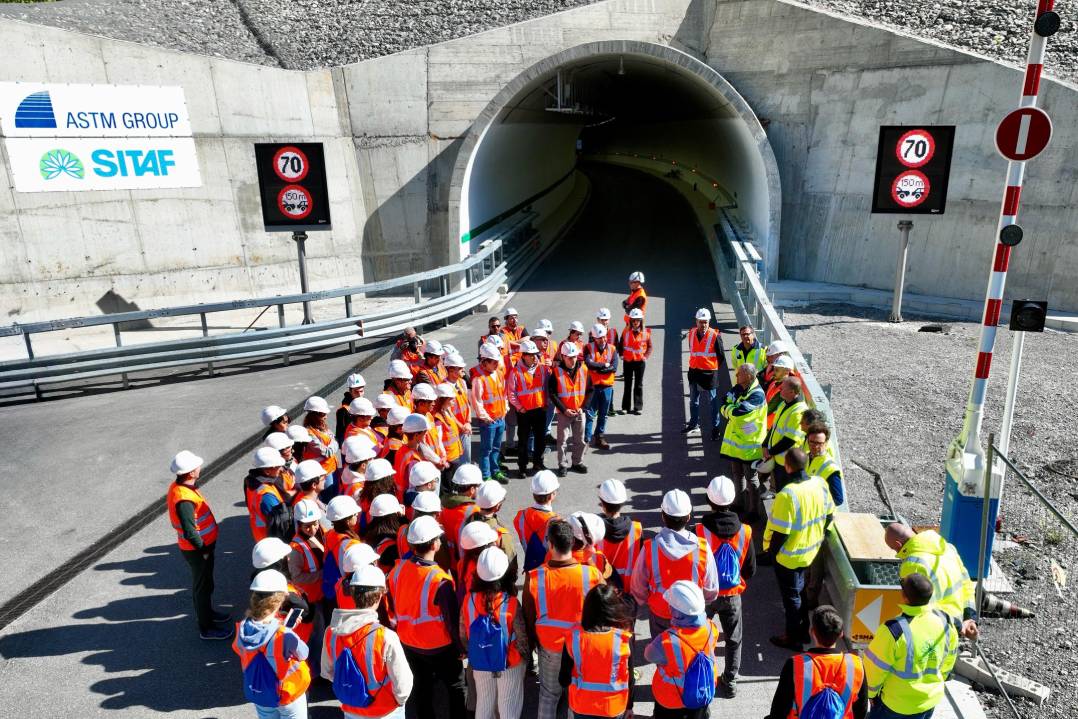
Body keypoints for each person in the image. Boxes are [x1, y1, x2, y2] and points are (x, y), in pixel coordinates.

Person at [524, 518, 605, 719]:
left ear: (550, 545)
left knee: (549, 695)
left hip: (550, 646)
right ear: (573, 544)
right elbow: (603, 609)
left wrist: (533, 642)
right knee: (574, 693)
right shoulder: (591, 574)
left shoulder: (535, 576)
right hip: (580, 645)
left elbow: (528, 614)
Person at [387, 515, 467, 719]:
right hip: (439, 645)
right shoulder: (440, 580)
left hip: (408, 641)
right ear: (434, 544)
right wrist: (461, 647)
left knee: (421, 686)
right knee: (456, 685)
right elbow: (451, 620)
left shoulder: (398, 570)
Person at [764, 449, 835, 650]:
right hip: (811, 550)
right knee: (800, 591)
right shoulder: (820, 484)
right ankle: (803, 631)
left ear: (787, 466)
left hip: (789, 556)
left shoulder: (787, 495)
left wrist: (773, 554)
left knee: (791, 598)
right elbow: (830, 515)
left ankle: (792, 637)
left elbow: (781, 533)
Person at [323, 564, 413, 719]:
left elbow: (328, 672)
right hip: (384, 711)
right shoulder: (385, 636)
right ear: (379, 596)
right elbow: (403, 685)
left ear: (352, 593)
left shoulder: (331, 633)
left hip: (351, 709)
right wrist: (398, 702)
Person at [864, 574, 959, 719]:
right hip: (929, 701)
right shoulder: (945, 622)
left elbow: (874, 668)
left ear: (904, 597)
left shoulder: (893, 630)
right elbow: (950, 658)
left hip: (895, 705)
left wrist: (869, 694)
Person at [630, 489, 719, 638]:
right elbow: (711, 588)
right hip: (692, 614)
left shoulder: (650, 548)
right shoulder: (702, 548)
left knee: (663, 654)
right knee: (688, 654)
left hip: (660, 612)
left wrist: (649, 600)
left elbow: (638, 586)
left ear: (663, 516)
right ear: (689, 516)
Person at [696, 475, 755, 697]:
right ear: (731, 501)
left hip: (705, 595)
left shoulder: (700, 530)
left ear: (709, 500)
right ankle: (730, 682)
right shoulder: (746, 531)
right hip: (732, 595)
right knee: (733, 639)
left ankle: (700, 676)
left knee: (699, 635)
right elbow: (750, 570)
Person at [167, 450, 232, 640]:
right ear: (190, 472)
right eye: (197, 466)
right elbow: (189, 530)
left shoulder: (182, 487)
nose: (199, 468)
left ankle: (208, 614)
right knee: (202, 587)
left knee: (206, 584)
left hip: (202, 548)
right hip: (199, 550)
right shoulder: (184, 498)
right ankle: (206, 627)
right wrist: (203, 549)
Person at [766, 605, 868, 719]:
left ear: (812, 632)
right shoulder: (856, 665)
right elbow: (861, 711)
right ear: (840, 634)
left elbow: (779, 709)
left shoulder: (795, 665)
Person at [233, 569, 311, 719]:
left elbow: (240, 648)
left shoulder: (242, 627)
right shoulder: (284, 634)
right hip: (288, 693)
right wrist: (287, 630)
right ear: (280, 600)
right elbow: (303, 653)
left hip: (260, 690)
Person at [462, 547, 529, 719]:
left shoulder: (468, 600)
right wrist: (526, 661)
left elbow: (463, 633)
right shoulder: (512, 603)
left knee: (484, 705)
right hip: (509, 663)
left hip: (480, 661)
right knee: (508, 708)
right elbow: (522, 640)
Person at [884, 524, 979, 640]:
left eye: (894, 549)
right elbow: (966, 584)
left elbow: (916, 608)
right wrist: (969, 617)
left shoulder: (911, 564)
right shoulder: (948, 548)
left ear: (898, 545)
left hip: (936, 630)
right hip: (955, 626)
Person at [646, 581, 721, 719]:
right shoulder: (712, 628)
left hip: (671, 699)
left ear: (677, 613)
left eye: (671, 606)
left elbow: (649, 655)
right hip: (701, 692)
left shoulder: (667, 640)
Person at [559, 584, 635, 719]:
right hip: (613, 706)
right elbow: (630, 678)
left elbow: (563, 679)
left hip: (582, 705)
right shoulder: (623, 638)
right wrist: (629, 706)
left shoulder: (573, 637)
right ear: (615, 609)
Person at [719, 363, 767, 516]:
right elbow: (724, 401)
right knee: (737, 474)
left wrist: (728, 410)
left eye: (739, 373)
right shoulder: (739, 387)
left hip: (750, 446)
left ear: (748, 376)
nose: (736, 375)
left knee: (752, 480)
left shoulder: (757, 394)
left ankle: (754, 511)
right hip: (738, 444)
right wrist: (729, 409)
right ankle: (738, 503)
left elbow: (740, 415)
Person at [548, 341, 592, 478]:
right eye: (569, 357)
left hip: (579, 412)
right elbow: (552, 394)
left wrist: (583, 408)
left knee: (580, 440)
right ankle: (562, 465)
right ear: (563, 356)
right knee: (562, 441)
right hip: (564, 413)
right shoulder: (556, 372)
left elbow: (591, 390)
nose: (572, 360)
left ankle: (577, 462)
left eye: (574, 357)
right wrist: (563, 409)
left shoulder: (584, 370)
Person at [759, 377, 808, 493]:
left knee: (784, 491)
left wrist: (771, 451)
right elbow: (774, 427)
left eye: (783, 388)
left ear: (792, 392)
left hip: (787, 462)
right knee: (779, 490)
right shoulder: (784, 404)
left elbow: (790, 440)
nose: (780, 389)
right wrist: (765, 444)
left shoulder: (798, 412)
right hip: (778, 458)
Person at [508, 339, 549, 477]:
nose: (534, 357)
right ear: (523, 355)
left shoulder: (542, 369)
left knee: (541, 439)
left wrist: (546, 404)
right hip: (524, 412)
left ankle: (538, 462)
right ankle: (522, 467)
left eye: (535, 354)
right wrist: (519, 408)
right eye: (531, 354)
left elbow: (548, 387)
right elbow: (511, 393)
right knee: (523, 441)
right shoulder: (515, 372)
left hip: (540, 409)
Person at [682, 308, 724, 441]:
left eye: (705, 322)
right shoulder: (692, 333)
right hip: (694, 372)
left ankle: (715, 429)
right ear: (696, 321)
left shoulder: (715, 335)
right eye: (701, 322)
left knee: (712, 403)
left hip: (709, 374)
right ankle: (694, 424)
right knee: (693, 401)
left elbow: (721, 356)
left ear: (709, 322)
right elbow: (693, 351)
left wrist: (712, 368)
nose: (703, 325)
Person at [471, 343, 509, 483]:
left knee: (496, 448)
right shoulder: (478, 379)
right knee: (486, 450)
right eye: (493, 362)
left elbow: (503, 395)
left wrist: (505, 410)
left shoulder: (498, 374)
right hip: (488, 421)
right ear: (484, 361)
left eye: (497, 361)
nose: (496, 364)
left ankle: (495, 471)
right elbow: (477, 401)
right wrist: (485, 418)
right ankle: (486, 475)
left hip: (500, 418)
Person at [597, 479, 642, 587]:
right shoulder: (636, 528)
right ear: (622, 503)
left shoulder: (595, 529)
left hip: (602, 589)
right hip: (628, 589)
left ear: (602, 503)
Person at [514, 469, 559, 572]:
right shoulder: (556, 522)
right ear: (552, 495)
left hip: (531, 562)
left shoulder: (521, 515)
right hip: (549, 568)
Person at [245, 447, 291, 543]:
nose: (281, 469)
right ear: (267, 471)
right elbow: (281, 523)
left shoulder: (251, 480)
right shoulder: (267, 496)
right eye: (278, 466)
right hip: (272, 540)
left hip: (260, 534)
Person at [584, 323, 618, 450]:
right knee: (590, 414)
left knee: (603, 414)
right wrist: (604, 366)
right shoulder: (588, 348)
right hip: (593, 387)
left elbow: (614, 367)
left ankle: (599, 436)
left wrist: (598, 369)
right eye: (599, 338)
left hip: (607, 387)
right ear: (594, 338)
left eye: (604, 337)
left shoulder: (612, 349)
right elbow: (588, 364)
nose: (602, 340)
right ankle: (586, 439)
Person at [289, 500, 326, 615]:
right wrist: (321, 574)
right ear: (299, 525)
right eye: (307, 526)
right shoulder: (296, 549)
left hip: (324, 590)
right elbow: (296, 577)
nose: (313, 529)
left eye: (315, 523)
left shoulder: (321, 531)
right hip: (313, 597)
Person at [441, 464, 483, 559]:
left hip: (449, 557)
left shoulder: (445, 504)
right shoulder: (474, 510)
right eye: (478, 486)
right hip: (464, 559)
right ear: (472, 490)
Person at [617, 308, 651, 415]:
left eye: (638, 320)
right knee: (627, 384)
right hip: (627, 361)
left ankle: (637, 407)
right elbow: (621, 343)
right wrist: (621, 354)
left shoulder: (646, 333)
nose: (635, 322)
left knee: (638, 384)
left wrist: (646, 356)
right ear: (630, 320)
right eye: (633, 320)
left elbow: (650, 347)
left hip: (640, 362)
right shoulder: (626, 331)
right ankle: (625, 407)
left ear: (641, 321)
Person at [805, 422, 845, 506]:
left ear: (826, 443)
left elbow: (837, 500)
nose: (815, 446)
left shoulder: (831, 469)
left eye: (819, 443)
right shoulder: (805, 457)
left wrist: (812, 504)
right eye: (812, 442)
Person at [444, 353, 473, 464]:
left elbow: (467, 403)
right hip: (455, 430)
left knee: (466, 459)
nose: (463, 370)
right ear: (451, 370)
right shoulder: (444, 387)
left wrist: (468, 422)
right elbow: (448, 412)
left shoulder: (461, 382)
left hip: (465, 427)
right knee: (459, 461)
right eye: (460, 368)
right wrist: (462, 426)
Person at [340, 437, 377, 501]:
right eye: (371, 459)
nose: (373, 460)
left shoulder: (347, 470)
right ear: (363, 465)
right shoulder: (359, 489)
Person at [336, 373, 367, 443]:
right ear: (350, 391)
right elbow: (340, 434)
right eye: (356, 392)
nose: (359, 394)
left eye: (361, 391)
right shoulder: (343, 410)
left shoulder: (365, 403)